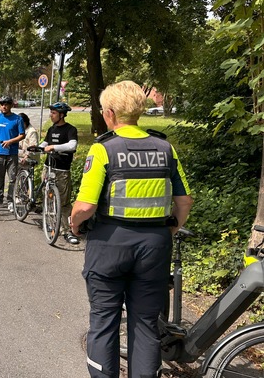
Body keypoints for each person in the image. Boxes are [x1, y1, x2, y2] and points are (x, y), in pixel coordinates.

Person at [69, 81, 193, 378]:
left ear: (110, 113)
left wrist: (74, 225)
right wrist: (170, 229)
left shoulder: (103, 149)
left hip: (109, 245)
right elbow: (185, 201)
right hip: (154, 246)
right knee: (146, 323)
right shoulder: (165, 148)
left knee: (104, 321)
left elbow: (85, 207)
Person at [40, 102, 79, 245]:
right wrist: (38, 147)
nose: (51, 115)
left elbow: (72, 145)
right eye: (51, 112)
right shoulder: (51, 129)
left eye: (54, 113)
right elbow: (45, 143)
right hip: (48, 167)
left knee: (63, 201)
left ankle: (66, 231)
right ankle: (50, 223)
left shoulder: (70, 129)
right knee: (48, 197)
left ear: (61, 115)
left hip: (62, 169)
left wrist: (54, 147)